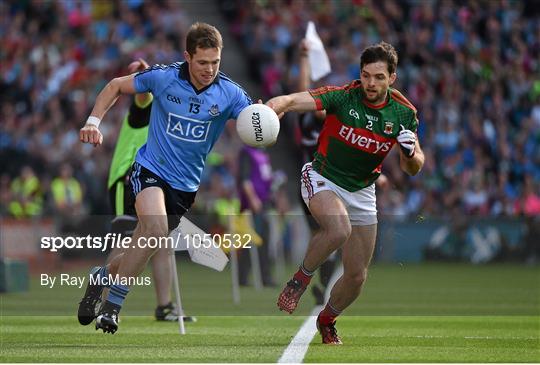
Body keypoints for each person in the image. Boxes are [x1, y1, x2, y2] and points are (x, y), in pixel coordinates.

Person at [78, 22, 252, 334]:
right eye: (202, 62)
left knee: (141, 245)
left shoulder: (230, 94)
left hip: (184, 188)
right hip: (149, 170)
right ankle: (113, 308)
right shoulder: (164, 78)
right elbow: (117, 85)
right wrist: (93, 121)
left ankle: (101, 277)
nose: (209, 69)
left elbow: (255, 120)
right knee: (156, 230)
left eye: (215, 62)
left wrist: (266, 119)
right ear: (188, 57)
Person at [266, 41, 425, 344]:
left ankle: (327, 320)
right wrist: (273, 107)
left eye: (379, 77)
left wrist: (410, 153)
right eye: (366, 75)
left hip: (363, 191)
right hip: (322, 177)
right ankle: (300, 279)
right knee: (339, 229)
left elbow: (413, 167)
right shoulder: (343, 97)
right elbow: (290, 99)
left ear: (392, 78)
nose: (371, 83)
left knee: (357, 277)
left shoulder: (404, 113)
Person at [80, 58, 194, 324]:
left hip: (158, 181)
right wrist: (142, 75)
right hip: (127, 178)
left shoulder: (175, 119)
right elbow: (141, 94)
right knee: (125, 239)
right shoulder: (147, 107)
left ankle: (163, 305)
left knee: (159, 242)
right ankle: (104, 298)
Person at [237, 145, 275, 287]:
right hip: (252, 205)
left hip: (264, 203)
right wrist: (253, 199)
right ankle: (243, 278)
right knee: (249, 241)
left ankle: (265, 276)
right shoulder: (247, 153)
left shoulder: (262, 152)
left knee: (264, 239)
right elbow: (245, 180)